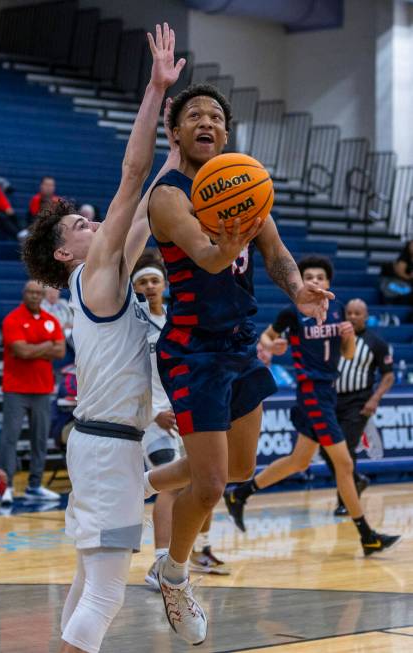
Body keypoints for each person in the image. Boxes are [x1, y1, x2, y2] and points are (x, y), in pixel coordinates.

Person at [145, 84, 333, 645]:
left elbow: (274, 252)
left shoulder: (246, 181)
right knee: (207, 490)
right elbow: (207, 257)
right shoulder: (169, 196)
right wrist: (233, 235)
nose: (207, 122)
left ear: (226, 134)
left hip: (239, 344)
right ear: (175, 132)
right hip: (192, 349)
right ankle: (173, 577)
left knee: (239, 471)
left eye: (217, 117)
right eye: (194, 115)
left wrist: (298, 287)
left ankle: (144, 481)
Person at [22, 23, 185, 653]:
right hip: (108, 447)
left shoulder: (109, 271)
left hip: (108, 445)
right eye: (80, 223)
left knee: (87, 580)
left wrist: (179, 152)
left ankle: (206, 476)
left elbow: (147, 206)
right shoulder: (94, 277)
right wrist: (154, 89)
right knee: (106, 595)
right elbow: (131, 177)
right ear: (66, 251)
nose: (93, 221)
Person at [224, 256, 400, 556]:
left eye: (321, 277)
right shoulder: (292, 312)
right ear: (302, 281)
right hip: (311, 392)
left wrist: (348, 339)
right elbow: (267, 336)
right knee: (344, 465)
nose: (315, 281)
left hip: (328, 392)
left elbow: (347, 354)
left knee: (299, 461)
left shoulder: (339, 310)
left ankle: (240, 493)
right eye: (309, 277)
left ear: (328, 283)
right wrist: (271, 346)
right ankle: (367, 535)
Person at [132, 252, 229, 590]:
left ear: (164, 284)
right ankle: (160, 561)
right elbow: (131, 377)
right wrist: (150, 413)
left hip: (181, 412)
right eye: (141, 282)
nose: (148, 286)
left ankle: (192, 552)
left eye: (153, 280)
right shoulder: (134, 324)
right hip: (151, 417)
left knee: (199, 481)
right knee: (170, 483)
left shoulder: (175, 320)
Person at [322, 298, 395, 515]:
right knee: (327, 448)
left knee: (345, 449)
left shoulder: (376, 343)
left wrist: (374, 399)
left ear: (366, 316)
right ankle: (356, 481)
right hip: (333, 400)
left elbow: (388, 376)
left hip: (358, 402)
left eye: (357, 313)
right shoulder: (336, 338)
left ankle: (344, 501)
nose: (352, 317)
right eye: (349, 313)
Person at [0, 280, 65, 505]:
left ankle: (34, 485)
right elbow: (21, 351)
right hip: (16, 389)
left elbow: (61, 350)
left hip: (43, 389)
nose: (35, 296)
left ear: (43, 296)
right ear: (24, 294)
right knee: (10, 438)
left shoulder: (51, 320)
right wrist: (47, 346)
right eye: (31, 292)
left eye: (39, 293)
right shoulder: (13, 319)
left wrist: (33, 349)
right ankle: (5, 486)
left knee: (39, 440)